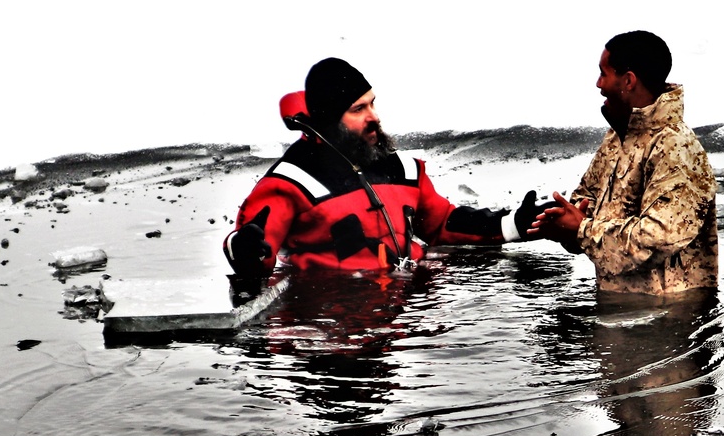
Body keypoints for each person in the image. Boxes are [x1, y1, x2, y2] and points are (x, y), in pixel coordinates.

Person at [223, 57, 552, 277]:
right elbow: (253, 252)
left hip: (406, 315)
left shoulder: (404, 170)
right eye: (358, 109)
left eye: (373, 103)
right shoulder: (289, 184)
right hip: (335, 322)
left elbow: (441, 224)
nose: (375, 117)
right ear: (328, 120)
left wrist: (514, 224)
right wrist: (243, 249)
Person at [530, 30, 718, 295]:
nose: (598, 84)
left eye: (604, 73)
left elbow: (657, 239)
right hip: (620, 311)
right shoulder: (617, 138)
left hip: (669, 318)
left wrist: (582, 230)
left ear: (628, 80)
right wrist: (564, 224)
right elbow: (585, 201)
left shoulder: (677, 148)